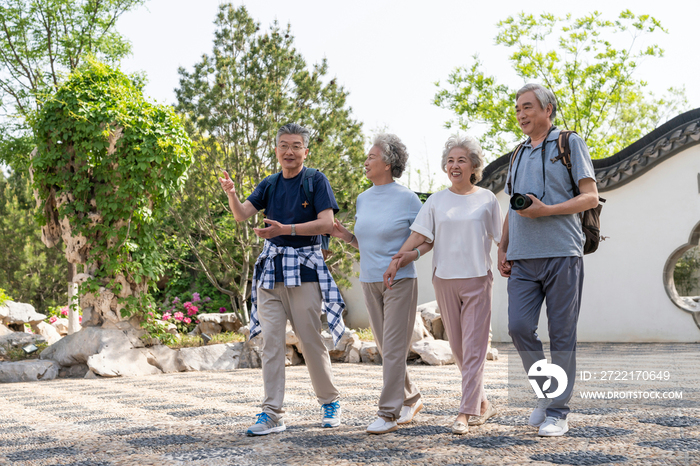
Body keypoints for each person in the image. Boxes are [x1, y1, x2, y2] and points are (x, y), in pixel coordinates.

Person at [218, 123, 346, 436]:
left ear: (306, 151)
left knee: (311, 340)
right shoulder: (270, 183)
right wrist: (232, 195)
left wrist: (284, 230)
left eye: (296, 146)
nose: (289, 152)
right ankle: (272, 413)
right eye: (284, 146)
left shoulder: (315, 180)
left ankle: (330, 402)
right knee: (272, 345)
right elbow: (241, 215)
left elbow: (327, 223)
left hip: (303, 272)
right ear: (276, 150)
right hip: (270, 273)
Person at [498, 83, 598, 437]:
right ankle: (546, 391)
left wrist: (548, 211)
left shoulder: (569, 143)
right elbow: (512, 206)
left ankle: (558, 412)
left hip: (562, 253)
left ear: (547, 110)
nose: (521, 114)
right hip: (523, 258)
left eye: (527, 107)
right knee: (519, 327)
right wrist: (503, 246)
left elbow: (590, 197)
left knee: (562, 334)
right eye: (517, 109)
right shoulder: (517, 154)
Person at [384, 134, 502, 434]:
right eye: (450, 160)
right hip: (444, 280)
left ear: (474, 165)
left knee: (474, 348)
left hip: (477, 279)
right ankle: (483, 403)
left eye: (461, 160)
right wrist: (397, 259)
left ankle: (465, 412)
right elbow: (419, 235)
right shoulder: (436, 200)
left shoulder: (487, 199)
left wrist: (508, 259)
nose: (455, 165)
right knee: (460, 349)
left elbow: (502, 239)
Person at [331, 134, 431, 434]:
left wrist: (405, 258)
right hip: (369, 280)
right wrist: (345, 235)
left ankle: (387, 413)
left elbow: (426, 240)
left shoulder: (408, 199)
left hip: (400, 281)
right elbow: (365, 243)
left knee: (395, 348)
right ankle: (411, 398)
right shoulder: (363, 197)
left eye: (371, 156)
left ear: (387, 163)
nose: (366, 161)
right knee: (388, 350)